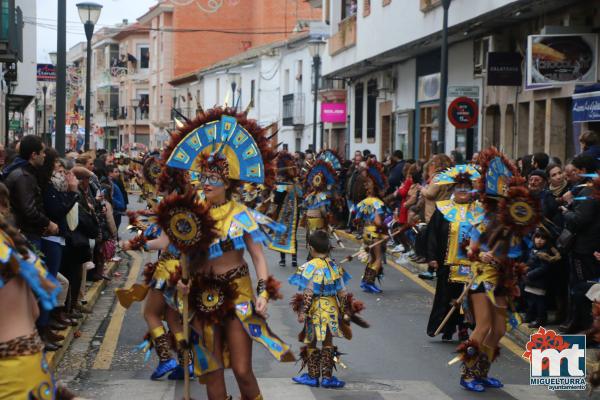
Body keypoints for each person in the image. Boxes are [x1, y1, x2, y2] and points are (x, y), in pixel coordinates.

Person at [169, 110, 295, 400]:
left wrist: (263, 293)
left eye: (213, 179)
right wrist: (182, 281)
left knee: (241, 370)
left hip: (238, 294)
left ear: (228, 183)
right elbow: (182, 257)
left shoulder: (241, 215)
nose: (206, 183)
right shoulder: (192, 216)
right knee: (212, 372)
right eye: (204, 178)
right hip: (202, 296)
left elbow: (258, 258)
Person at [452, 147, 538, 393]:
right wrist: (482, 254)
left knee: (499, 330)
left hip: (504, 280)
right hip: (482, 279)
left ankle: (482, 372)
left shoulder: (515, 226)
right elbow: (467, 250)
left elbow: (522, 252)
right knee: (483, 326)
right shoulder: (482, 221)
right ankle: (467, 373)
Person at [289, 230, 365, 389]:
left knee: (312, 341)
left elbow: (308, 292)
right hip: (331, 310)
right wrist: (345, 312)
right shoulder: (335, 267)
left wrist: (303, 311)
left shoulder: (308, 267)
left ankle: (312, 376)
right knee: (328, 341)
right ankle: (327, 378)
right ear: (329, 248)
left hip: (314, 310)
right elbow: (342, 293)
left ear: (310, 248)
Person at [426, 165, 483, 342]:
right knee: (447, 297)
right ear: (453, 189)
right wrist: (432, 257)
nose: (463, 191)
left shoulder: (479, 209)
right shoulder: (443, 209)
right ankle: (447, 328)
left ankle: (465, 327)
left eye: (467, 187)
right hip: (448, 263)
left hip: (472, 264)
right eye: (459, 187)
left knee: (468, 298)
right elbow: (432, 234)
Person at [3, 135, 58, 249]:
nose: (44, 155)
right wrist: (48, 223)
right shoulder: (24, 176)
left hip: (28, 232)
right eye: (42, 152)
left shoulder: (26, 173)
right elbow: (29, 210)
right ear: (33, 155)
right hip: (27, 234)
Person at [354, 158, 388, 294]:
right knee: (378, 258)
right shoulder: (377, 203)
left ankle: (366, 281)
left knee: (371, 258)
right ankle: (369, 282)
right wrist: (384, 229)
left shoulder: (362, 203)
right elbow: (378, 222)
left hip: (366, 233)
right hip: (375, 234)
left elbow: (357, 219)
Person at [267, 151, 302, 268]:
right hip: (294, 213)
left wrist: (275, 190)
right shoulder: (295, 183)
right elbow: (301, 195)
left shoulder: (283, 184)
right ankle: (294, 260)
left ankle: (283, 260)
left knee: (283, 233)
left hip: (284, 213)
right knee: (293, 235)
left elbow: (277, 199)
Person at [523, 229, 560, 329]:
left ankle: (541, 318)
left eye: (543, 238)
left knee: (540, 301)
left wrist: (530, 274)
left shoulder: (545, 253)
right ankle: (530, 315)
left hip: (539, 281)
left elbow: (543, 268)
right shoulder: (533, 249)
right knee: (531, 299)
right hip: (531, 280)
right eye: (537, 237)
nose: (539, 240)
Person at [302, 159, 337, 245]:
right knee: (319, 242)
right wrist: (327, 217)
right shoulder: (321, 196)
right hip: (318, 223)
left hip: (310, 221)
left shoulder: (310, 195)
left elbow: (304, 206)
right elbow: (323, 210)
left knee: (311, 241)